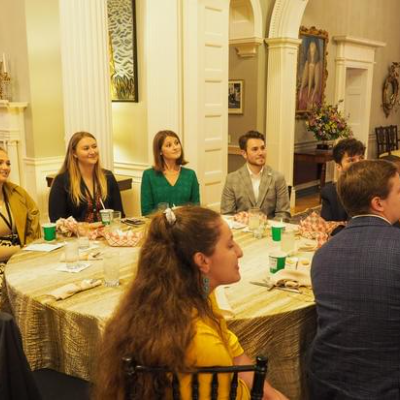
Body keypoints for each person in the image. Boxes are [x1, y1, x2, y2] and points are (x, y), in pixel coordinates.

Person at [93, 206, 288, 400]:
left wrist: (269, 392)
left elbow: (229, 343)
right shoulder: (204, 346)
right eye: (229, 245)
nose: (239, 251)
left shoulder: (178, 297)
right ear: (202, 261)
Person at [309, 160, 400, 399]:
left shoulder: (322, 254)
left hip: (326, 384)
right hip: (386, 386)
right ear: (378, 203)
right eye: (399, 191)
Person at [48, 131, 124, 222]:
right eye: (86, 148)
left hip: (107, 234)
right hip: (76, 236)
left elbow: (119, 214)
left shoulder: (108, 177)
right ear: (74, 153)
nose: (92, 151)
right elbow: (57, 220)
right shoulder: (61, 181)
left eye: (94, 147)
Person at [220, 131, 290, 220]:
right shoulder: (232, 179)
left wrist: (266, 228)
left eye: (263, 148)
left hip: (269, 230)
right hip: (242, 230)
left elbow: (283, 214)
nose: (261, 153)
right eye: (255, 149)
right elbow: (227, 215)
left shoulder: (278, 178)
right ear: (244, 153)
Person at [0, 147, 41, 293]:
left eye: (8, 163)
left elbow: (34, 222)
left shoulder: (17, 193)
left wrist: (28, 249)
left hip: (21, 258)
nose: (5, 167)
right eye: (0, 163)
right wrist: (22, 249)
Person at [140, 130, 200, 216]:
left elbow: (196, 209)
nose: (175, 147)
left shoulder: (190, 175)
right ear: (160, 151)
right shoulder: (149, 175)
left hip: (185, 226)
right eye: (169, 145)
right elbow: (146, 212)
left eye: (177, 143)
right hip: (159, 226)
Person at [321, 138, 365, 224]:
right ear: (338, 167)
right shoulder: (330, 193)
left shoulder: (375, 187)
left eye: (361, 158)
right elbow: (328, 227)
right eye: (351, 160)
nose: (358, 163)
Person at [298, 40, 322, 111]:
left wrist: (312, 96)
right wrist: (301, 92)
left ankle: (309, 95)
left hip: (313, 90)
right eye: (310, 47)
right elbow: (305, 77)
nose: (312, 48)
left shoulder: (317, 64)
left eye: (313, 47)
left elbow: (317, 83)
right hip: (306, 87)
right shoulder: (307, 62)